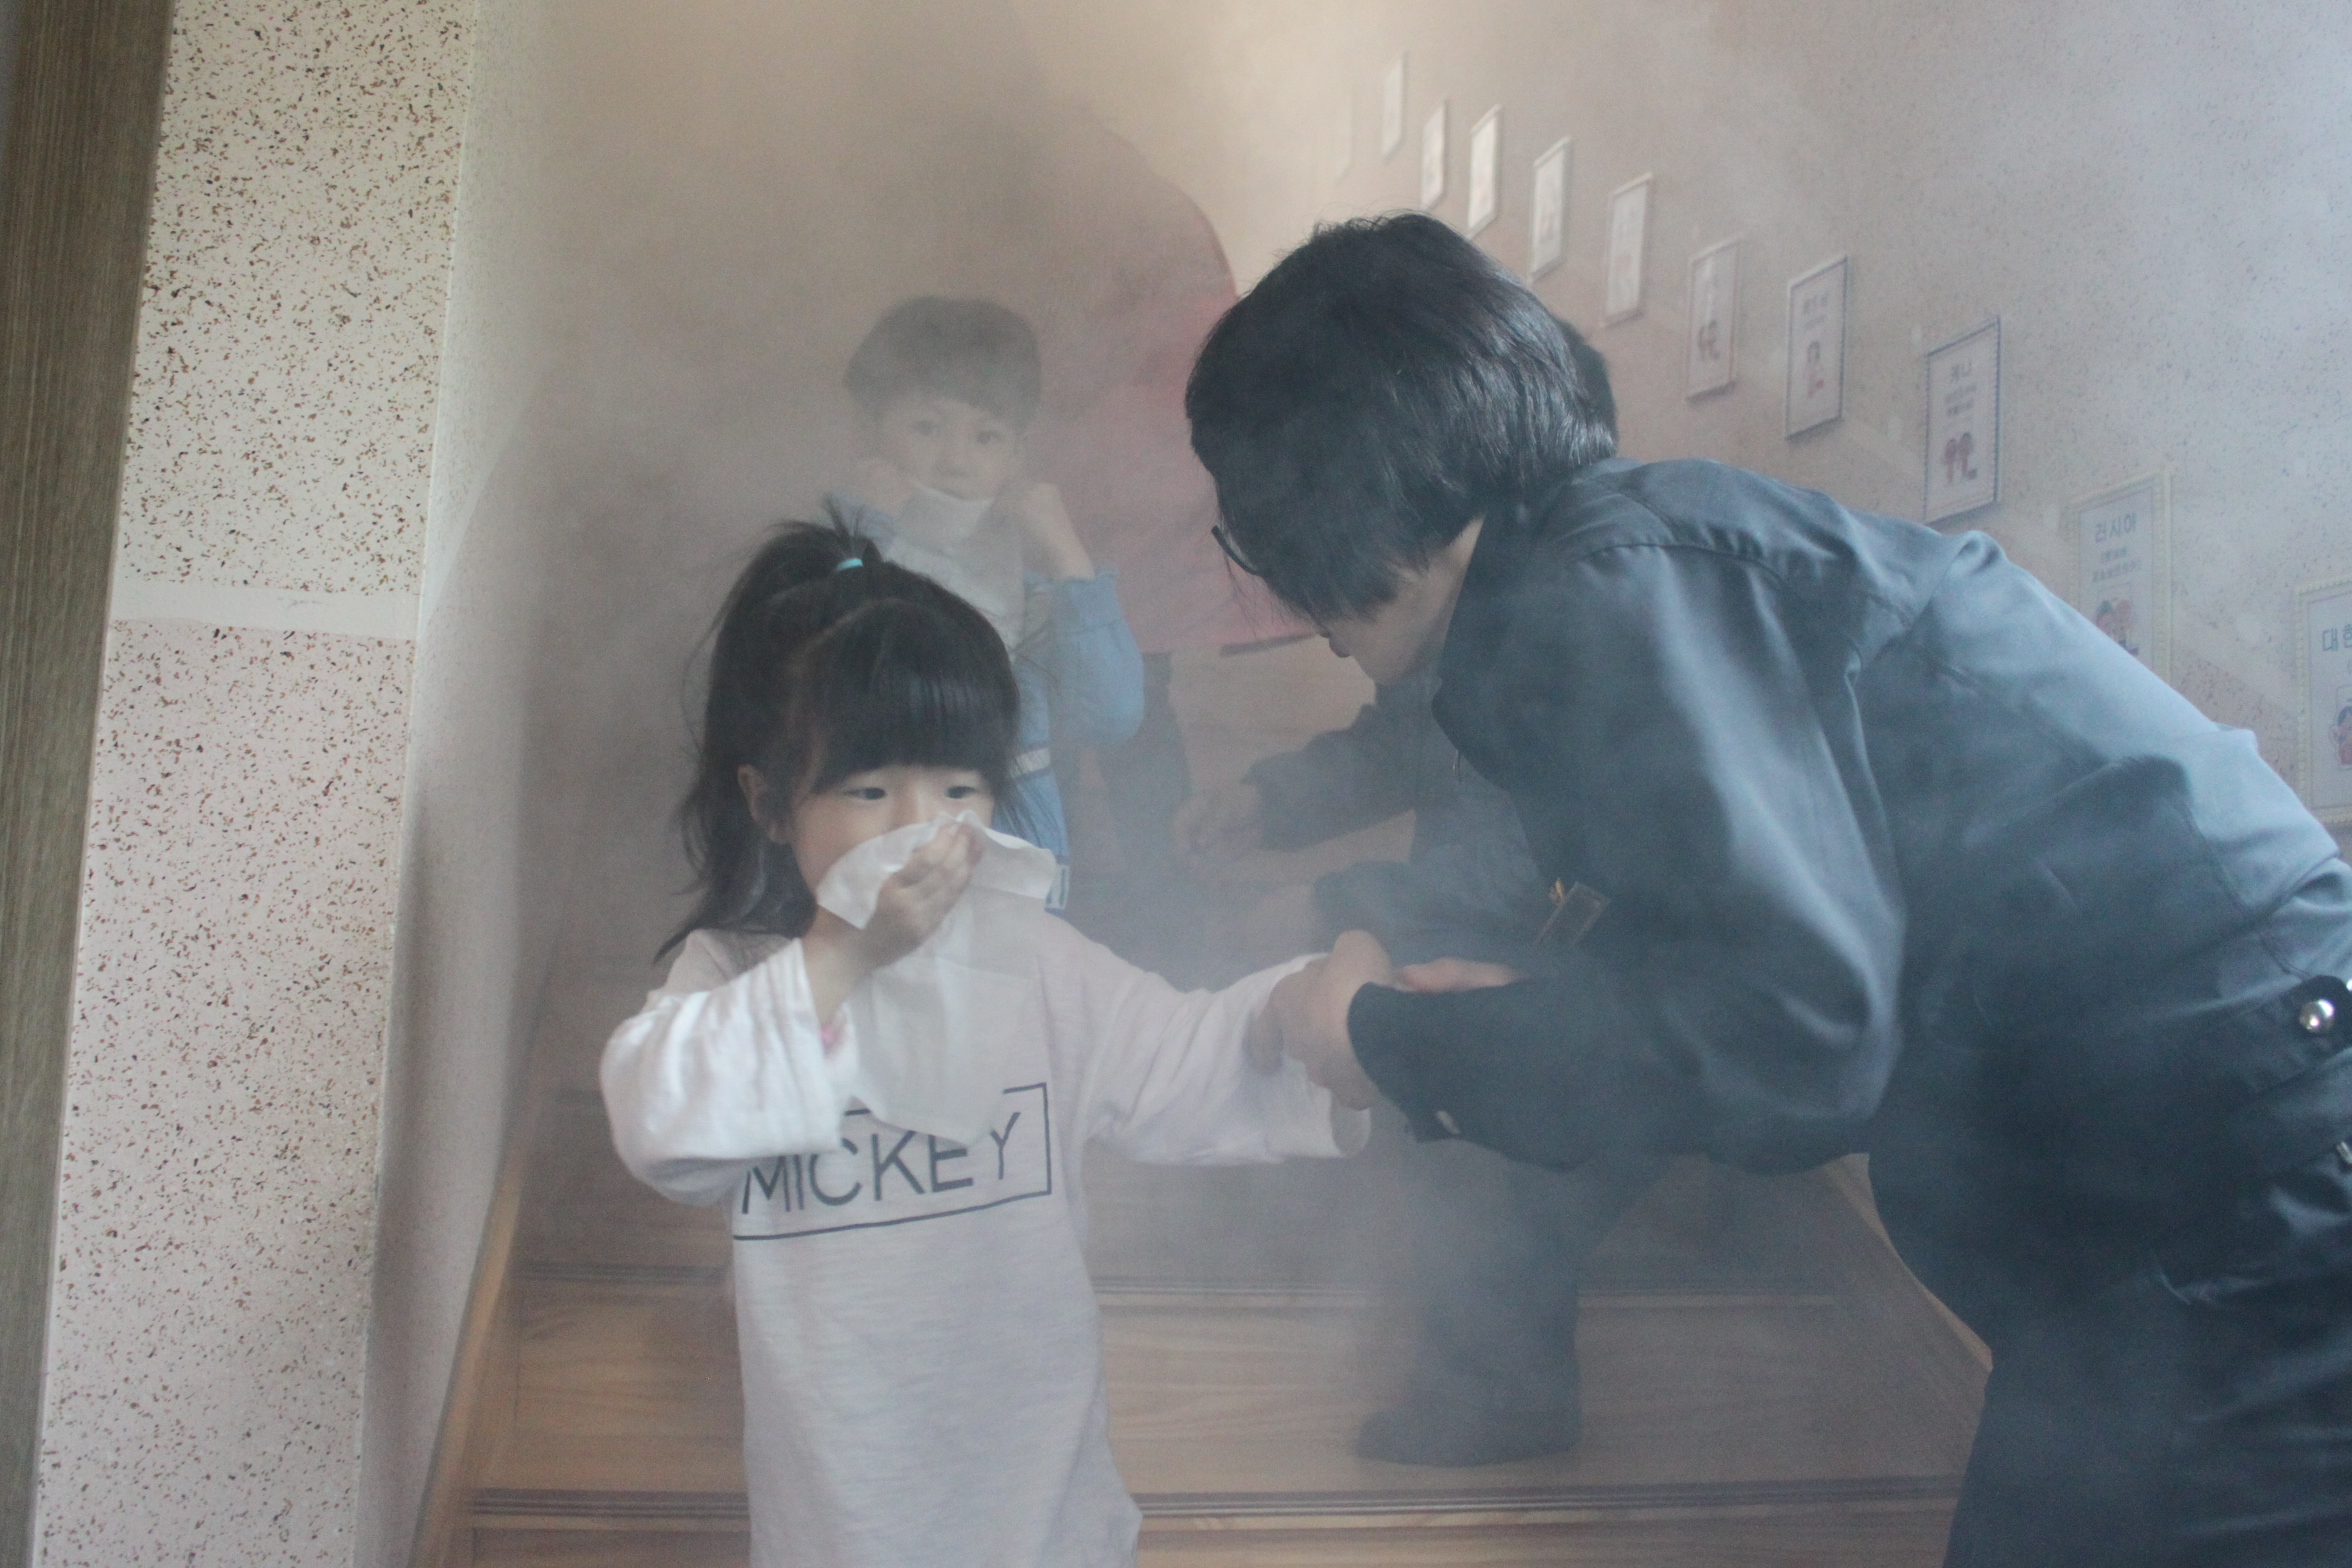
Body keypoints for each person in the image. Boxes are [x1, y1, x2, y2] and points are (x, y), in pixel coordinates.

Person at [1187, 213, 2352, 1565]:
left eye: (1256, 521)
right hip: (2209, 1165)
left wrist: (1387, 1039)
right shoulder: (1622, 564)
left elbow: (1796, 1041)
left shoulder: (1609, 585)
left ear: (1334, 484)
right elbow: (1762, 969)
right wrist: (1498, 1011)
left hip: (2237, 1182)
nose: (1282, 590)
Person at [600, 520, 1366, 1568]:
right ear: (770, 804)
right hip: (846, 1519)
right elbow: (662, 1127)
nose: (925, 825)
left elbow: (1185, 1058)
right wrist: (842, 957)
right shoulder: (739, 977)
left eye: (960, 788)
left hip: (1045, 1511)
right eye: (870, 790)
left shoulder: (1035, 963)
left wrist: (1289, 1007)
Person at [1172, 322, 1668, 1466]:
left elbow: (1527, 860)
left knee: (1476, 1114)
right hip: (1496, 925)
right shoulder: (1462, 607)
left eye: (1330, 600)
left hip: (1590, 953)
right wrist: (1269, 802)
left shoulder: (1571, 624)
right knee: (1383, 1020)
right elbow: (1396, 737)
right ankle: (1291, 1236)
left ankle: (1496, 1394)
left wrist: (1335, 903)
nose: (1325, 631)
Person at [829, 296, 1146, 909]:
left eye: (987, 436)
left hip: (1013, 888)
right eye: (927, 428)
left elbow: (1110, 717)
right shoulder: (832, 565)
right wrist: (866, 533)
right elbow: (832, 692)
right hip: (876, 880)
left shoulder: (1031, 600)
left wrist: (1067, 555)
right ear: (868, 434)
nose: (956, 461)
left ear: (1017, 456)